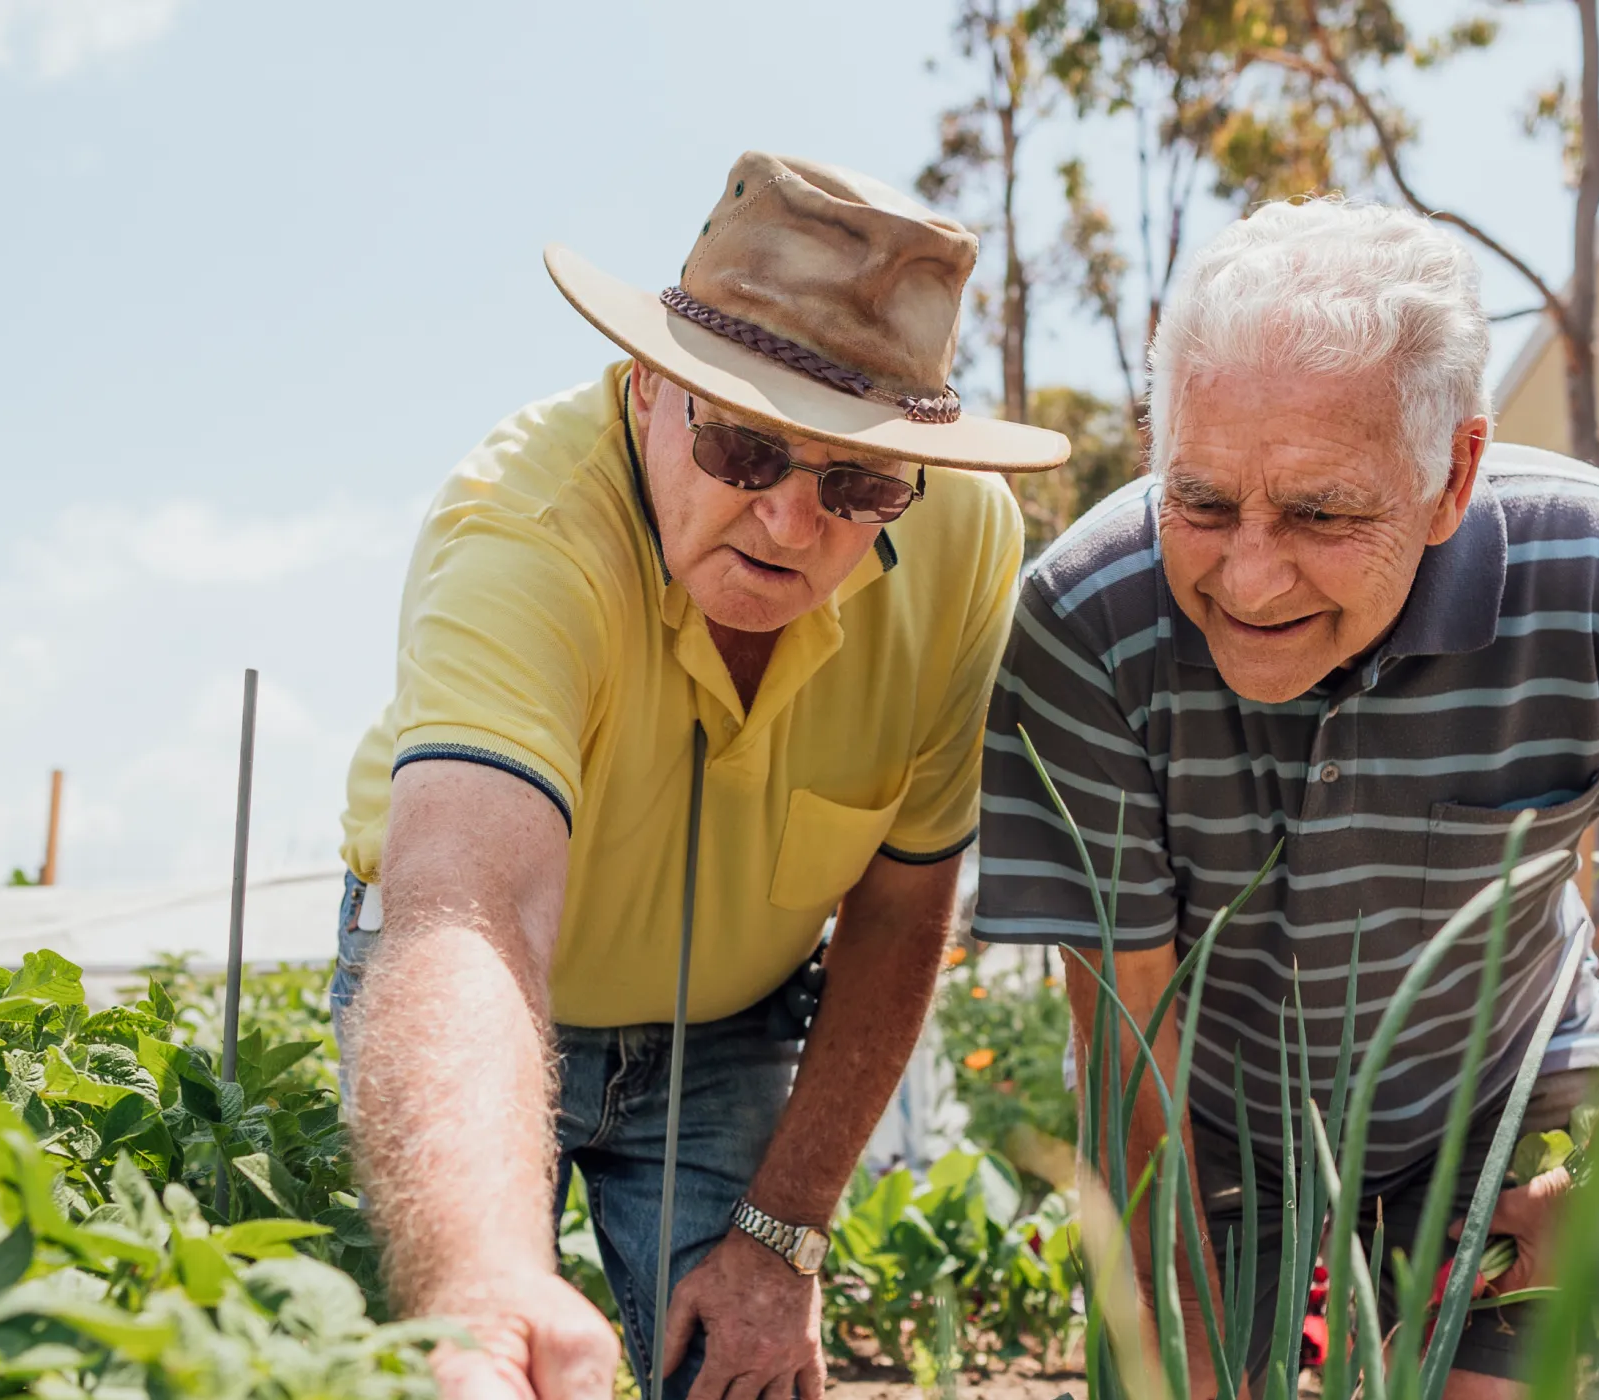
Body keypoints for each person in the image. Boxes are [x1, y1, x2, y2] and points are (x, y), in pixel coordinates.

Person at [971, 198, 1599, 1395]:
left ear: (1452, 473)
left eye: (1322, 513)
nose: (1250, 574)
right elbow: (1126, 1035)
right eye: (1204, 500)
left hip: (1502, 1110)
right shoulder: (1086, 621)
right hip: (1213, 1139)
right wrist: (1187, 1340)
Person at [330, 151, 1069, 1400]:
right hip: (483, 1002)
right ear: (645, 387)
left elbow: (899, 907)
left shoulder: (964, 538)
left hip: (725, 1029)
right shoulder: (521, 528)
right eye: (742, 449)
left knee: (742, 1373)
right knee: (447, 1363)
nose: (791, 522)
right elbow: (470, 910)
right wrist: (482, 1281)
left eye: (857, 482)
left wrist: (783, 1239)